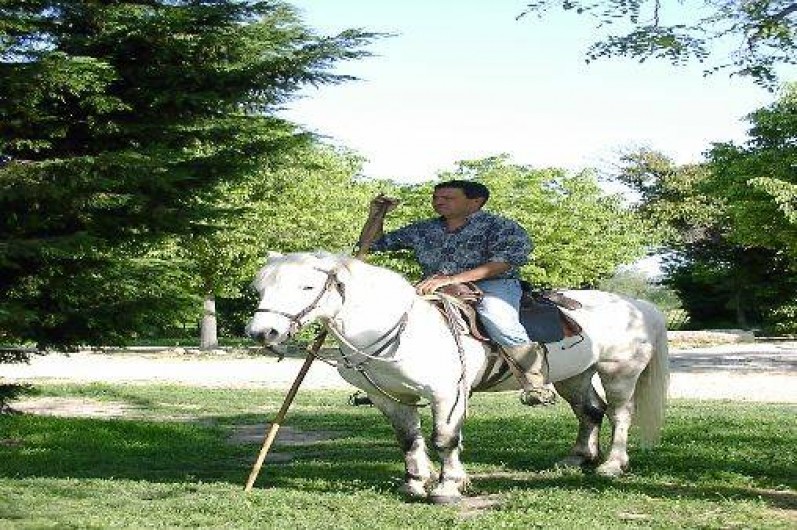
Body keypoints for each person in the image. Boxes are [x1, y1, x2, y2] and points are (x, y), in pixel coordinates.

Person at [361, 180, 556, 406]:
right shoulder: (424, 228)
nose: (438, 202)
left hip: (493, 285)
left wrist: (453, 279)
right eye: (436, 197)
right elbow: (369, 245)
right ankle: (385, 380)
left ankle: (536, 384)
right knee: (391, 312)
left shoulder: (501, 227)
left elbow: (504, 262)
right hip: (435, 286)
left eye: (448, 198)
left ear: (476, 201)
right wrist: (377, 215)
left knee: (497, 316)